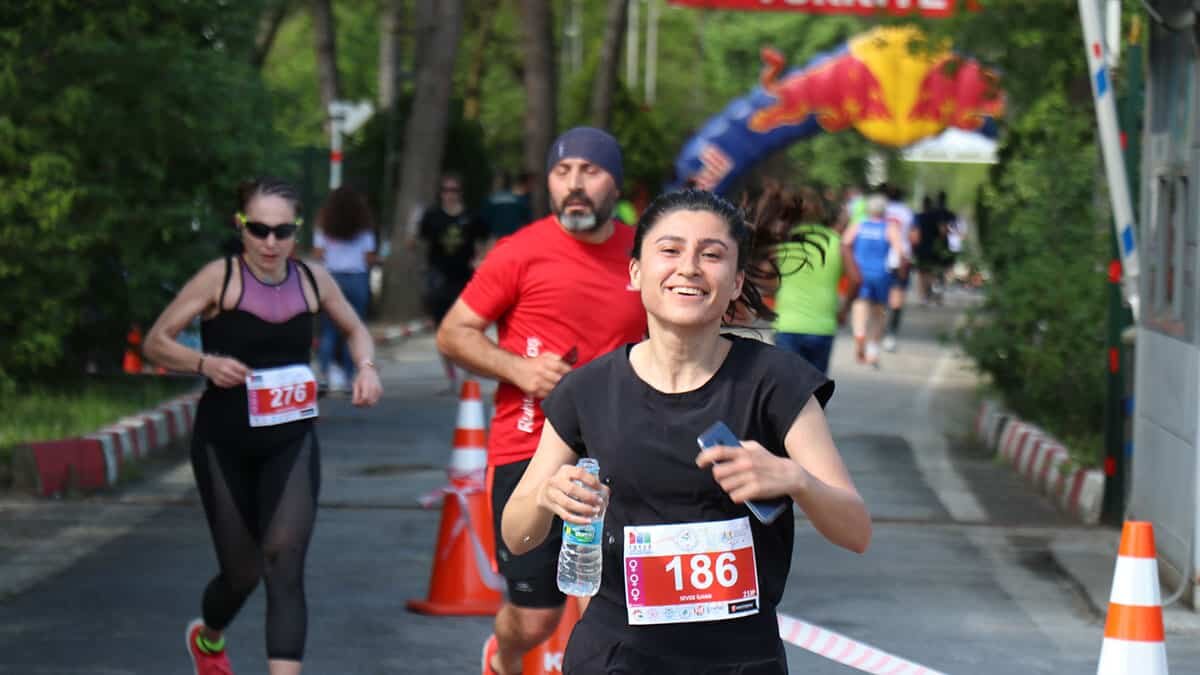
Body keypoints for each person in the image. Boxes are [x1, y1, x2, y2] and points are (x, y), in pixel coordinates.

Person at [501, 188, 871, 674]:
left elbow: (856, 532)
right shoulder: (587, 390)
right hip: (615, 660)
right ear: (635, 272)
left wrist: (794, 480)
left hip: (742, 662)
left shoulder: (775, 384)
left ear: (736, 282)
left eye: (711, 255)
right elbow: (517, 536)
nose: (690, 267)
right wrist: (549, 496)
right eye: (670, 250)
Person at [142, 176, 383, 675]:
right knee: (242, 571)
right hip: (223, 443)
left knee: (284, 562)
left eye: (282, 231)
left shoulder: (314, 279)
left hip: (290, 440)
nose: (271, 243)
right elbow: (156, 341)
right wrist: (204, 363)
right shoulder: (219, 278)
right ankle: (208, 640)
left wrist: (366, 368)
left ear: (297, 230)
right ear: (241, 227)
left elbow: (355, 327)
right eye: (258, 230)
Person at [434, 127, 647, 675]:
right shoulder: (519, 252)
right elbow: (454, 333)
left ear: (615, 182)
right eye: (562, 172)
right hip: (529, 453)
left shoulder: (645, 254)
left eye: (590, 171)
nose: (574, 184)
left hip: (623, 453)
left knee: (620, 605)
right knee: (536, 619)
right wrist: (520, 369)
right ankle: (502, 658)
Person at [771, 184, 861, 375]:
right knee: (815, 394)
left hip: (787, 324)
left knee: (784, 390)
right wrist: (844, 310)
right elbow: (856, 278)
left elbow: (766, 276)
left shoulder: (784, 240)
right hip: (822, 326)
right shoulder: (836, 242)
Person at [413, 172, 488, 394]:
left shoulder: (472, 217)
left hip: (465, 279)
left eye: (453, 190)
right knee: (441, 331)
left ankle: (468, 373)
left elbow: (485, 239)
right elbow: (417, 242)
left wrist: (481, 259)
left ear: (460, 193)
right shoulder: (432, 216)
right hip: (439, 278)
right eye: (446, 190)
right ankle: (451, 377)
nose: (449, 195)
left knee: (467, 327)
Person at [311, 186, 378, 393]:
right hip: (356, 279)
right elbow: (369, 257)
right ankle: (350, 378)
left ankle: (325, 374)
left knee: (329, 330)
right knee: (354, 329)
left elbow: (318, 253)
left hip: (332, 279)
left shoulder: (324, 226)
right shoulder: (364, 228)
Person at [842, 193, 902, 367]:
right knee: (878, 312)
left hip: (860, 273)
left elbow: (845, 244)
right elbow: (899, 250)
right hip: (881, 274)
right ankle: (873, 350)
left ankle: (859, 334)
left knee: (859, 305)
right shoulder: (889, 227)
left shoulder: (858, 225)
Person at [882, 184, 916, 352]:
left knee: (878, 297)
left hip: (880, 257)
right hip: (900, 257)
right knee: (897, 297)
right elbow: (914, 237)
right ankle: (891, 334)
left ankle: (875, 333)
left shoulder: (881, 210)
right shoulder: (907, 212)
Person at [481, 171, 534, 243]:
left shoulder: (490, 199)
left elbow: (484, 220)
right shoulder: (519, 200)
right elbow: (527, 221)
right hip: (513, 237)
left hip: (495, 237)